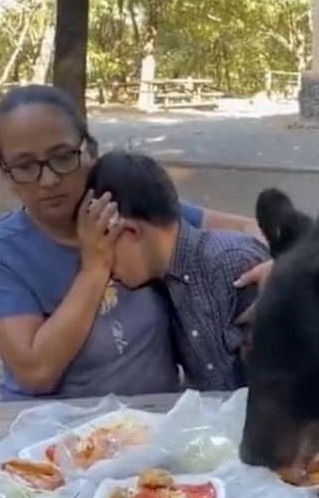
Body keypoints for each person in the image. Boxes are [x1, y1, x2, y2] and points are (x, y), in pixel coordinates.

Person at [0, 84, 270, 401]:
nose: (49, 180)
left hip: (153, 422)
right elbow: (36, 374)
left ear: (90, 151)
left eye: (62, 157)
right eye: (25, 166)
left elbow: (247, 226)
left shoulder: (127, 209)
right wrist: (93, 270)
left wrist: (282, 266)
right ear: (5, 173)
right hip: (49, 432)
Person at [87, 150, 269, 390]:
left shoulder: (232, 264)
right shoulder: (164, 285)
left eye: (102, 245)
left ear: (128, 231)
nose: (105, 267)